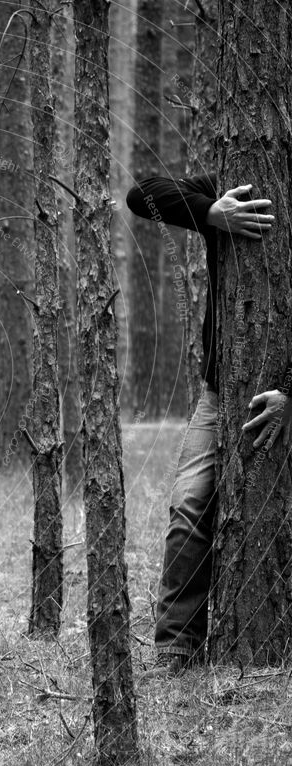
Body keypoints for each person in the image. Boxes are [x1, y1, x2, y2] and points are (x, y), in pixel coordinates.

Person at [125, 174, 291, 676]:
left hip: (285, 395)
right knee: (190, 505)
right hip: (221, 393)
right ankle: (176, 652)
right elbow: (142, 194)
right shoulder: (238, 181)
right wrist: (211, 214)